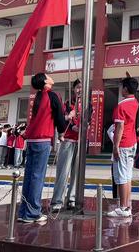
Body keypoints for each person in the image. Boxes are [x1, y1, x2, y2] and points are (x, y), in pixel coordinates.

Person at [18, 73, 66, 224]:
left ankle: (24, 211)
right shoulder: (52, 96)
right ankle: (32, 213)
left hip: (32, 140)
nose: (51, 77)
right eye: (48, 76)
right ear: (46, 81)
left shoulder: (38, 96)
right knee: (37, 177)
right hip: (42, 140)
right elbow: (59, 115)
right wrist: (62, 131)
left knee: (30, 176)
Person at [51, 78, 92, 212]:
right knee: (63, 172)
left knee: (76, 173)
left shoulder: (88, 105)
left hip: (80, 141)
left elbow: (89, 122)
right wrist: (70, 120)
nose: (80, 90)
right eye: (78, 87)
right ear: (74, 89)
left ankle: (72, 199)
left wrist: (83, 127)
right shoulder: (68, 104)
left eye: (82, 87)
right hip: (68, 141)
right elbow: (60, 120)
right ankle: (57, 201)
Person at [107, 74, 139, 218]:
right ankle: (126, 206)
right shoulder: (135, 102)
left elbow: (119, 128)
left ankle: (123, 207)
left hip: (123, 143)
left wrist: (115, 146)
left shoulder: (121, 105)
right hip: (132, 142)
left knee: (121, 178)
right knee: (127, 177)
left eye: (122, 87)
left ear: (125, 89)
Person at [107, 123, 119, 199]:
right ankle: (115, 197)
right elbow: (109, 131)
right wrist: (115, 124)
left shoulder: (128, 139)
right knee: (115, 181)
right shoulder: (116, 138)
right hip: (115, 161)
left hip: (123, 163)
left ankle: (122, 199)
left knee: (123, 181)